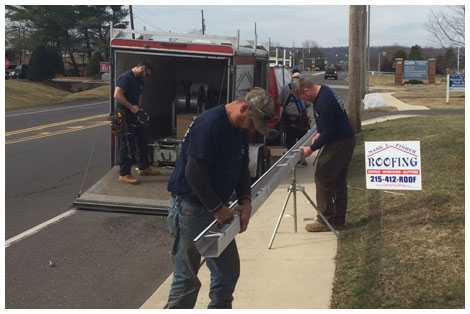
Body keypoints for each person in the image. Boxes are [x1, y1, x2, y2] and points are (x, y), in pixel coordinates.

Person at [166, 87, 274, 308]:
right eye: (253, 123)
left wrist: (245, 200)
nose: (252, 130)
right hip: (191, 209)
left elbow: (242, 166)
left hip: (214, 209)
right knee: (187, 278)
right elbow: (193, 172)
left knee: (227, 271)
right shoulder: (210, 124)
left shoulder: (239, 129)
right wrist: (217, 208)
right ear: (244, 108)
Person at [293, 78, 356, 232]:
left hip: (340, 142)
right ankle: (338, 219)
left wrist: (311, 148)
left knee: (322, 176)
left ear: (307, 90)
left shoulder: (324, 102)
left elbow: (329, 133)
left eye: (303, 97)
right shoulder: (323, 91)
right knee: (338, 180)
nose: (304, 100)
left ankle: (325, 220)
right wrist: (319, 131)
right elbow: (323, 122)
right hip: (345, 139)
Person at [113, 60, 159, 184]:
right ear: (142, 68)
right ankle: (124, 173)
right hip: (124, 114)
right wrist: (131, 107)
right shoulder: (126, 77)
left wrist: (139, 107)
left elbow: (139, 94)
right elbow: (117, 94)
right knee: (127, 144)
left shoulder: (139, 80)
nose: (147, 77)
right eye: (147, 74)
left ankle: (144, 167)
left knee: (142, 139)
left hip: (135, 113)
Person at [278, 72, 312, 153]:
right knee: (301, 139)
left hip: (288, 118)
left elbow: (280, 102)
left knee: (290, 139)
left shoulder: (285, 88)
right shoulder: (304, 89)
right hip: (301, 118)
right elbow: (308, 103)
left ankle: (290, 156)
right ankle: (301, 158)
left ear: (292, 78)